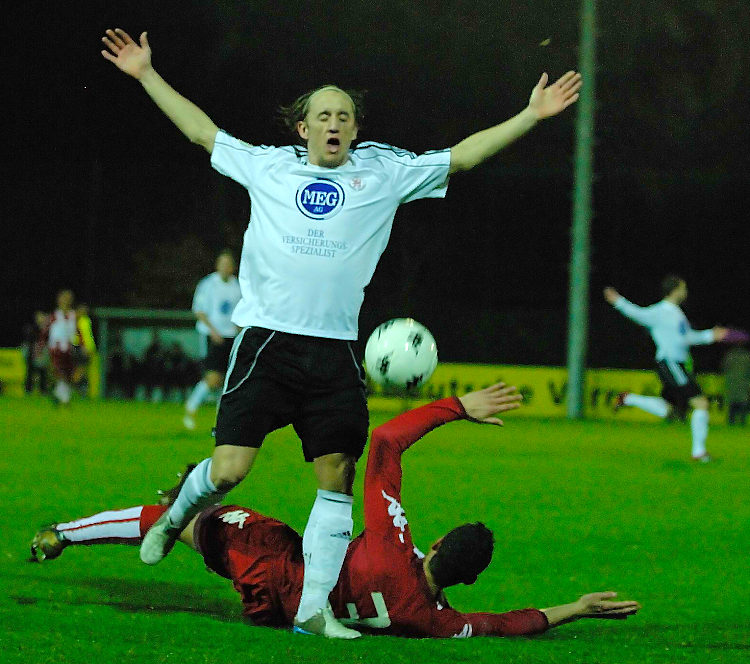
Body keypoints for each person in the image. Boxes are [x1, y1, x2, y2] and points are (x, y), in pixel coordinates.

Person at [100, 27, 582, 638]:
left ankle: (312, 614)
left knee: (338, 478)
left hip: (333, 351)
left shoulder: (384, 173)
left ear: (355, 130)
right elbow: (201, 132)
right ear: (301, 128)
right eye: (322, 115)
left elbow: (462, 156)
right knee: (228, 471)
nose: (334, 123)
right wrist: (146, 75)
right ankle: (175, 518)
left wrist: (531, 115)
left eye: (344, 116)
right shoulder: (268, 167)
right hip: (268, 341)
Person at [30, 383, 639, 637]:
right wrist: (576, 609)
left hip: (276, 563)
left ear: (440, 541)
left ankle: (66, 533)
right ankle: (189, 504)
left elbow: (387, 442)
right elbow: (507, 623)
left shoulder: (392, 545)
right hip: (279, 611)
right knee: (201, 515)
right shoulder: (433, 620)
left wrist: (456, 406)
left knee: (179, 520)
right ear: (468, 580)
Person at [603, 276, 727, 462]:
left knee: (671, 411)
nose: (686, 292)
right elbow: (638, 314)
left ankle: (629, 398)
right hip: (670, 363)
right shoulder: (661, 311)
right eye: (683, 288)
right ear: (675, 290)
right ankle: (699, 452)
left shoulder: (676, 313)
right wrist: (618, 301)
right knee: (701, 404)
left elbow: (686, 338)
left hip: (675, 364)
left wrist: (710, 335)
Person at [183, 251, 241, 430]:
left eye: (228, 264)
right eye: (222, 263)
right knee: (213, 377)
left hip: (231, 336)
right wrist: (213, 331)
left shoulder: (237, 286)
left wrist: (239, 330)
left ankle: (220, 423)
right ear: (217, 266)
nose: (225, 267)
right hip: (212, 335)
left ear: (233, 267)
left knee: (228, 380)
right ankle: (191, 408)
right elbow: (199, 310)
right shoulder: (208, 284)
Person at [46, 290, 81, 406]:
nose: (66, 300)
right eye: (64, 297)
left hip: (69, 348)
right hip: (56, 348)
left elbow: (78, 331)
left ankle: (59, 394)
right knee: (58, 372)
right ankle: (64, 398)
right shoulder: (55, 315)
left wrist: (82, 344)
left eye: (68, 298)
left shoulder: (73, 315)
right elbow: (47, 331)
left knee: (69, 374)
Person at [722, 343, 750, 426]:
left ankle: (731, 420)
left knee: (732, 401)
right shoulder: (747, 356)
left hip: (732, 381)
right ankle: (742, 420)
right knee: (743, 401)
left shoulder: (730, 355)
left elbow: (724, 367)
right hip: (743, 382)